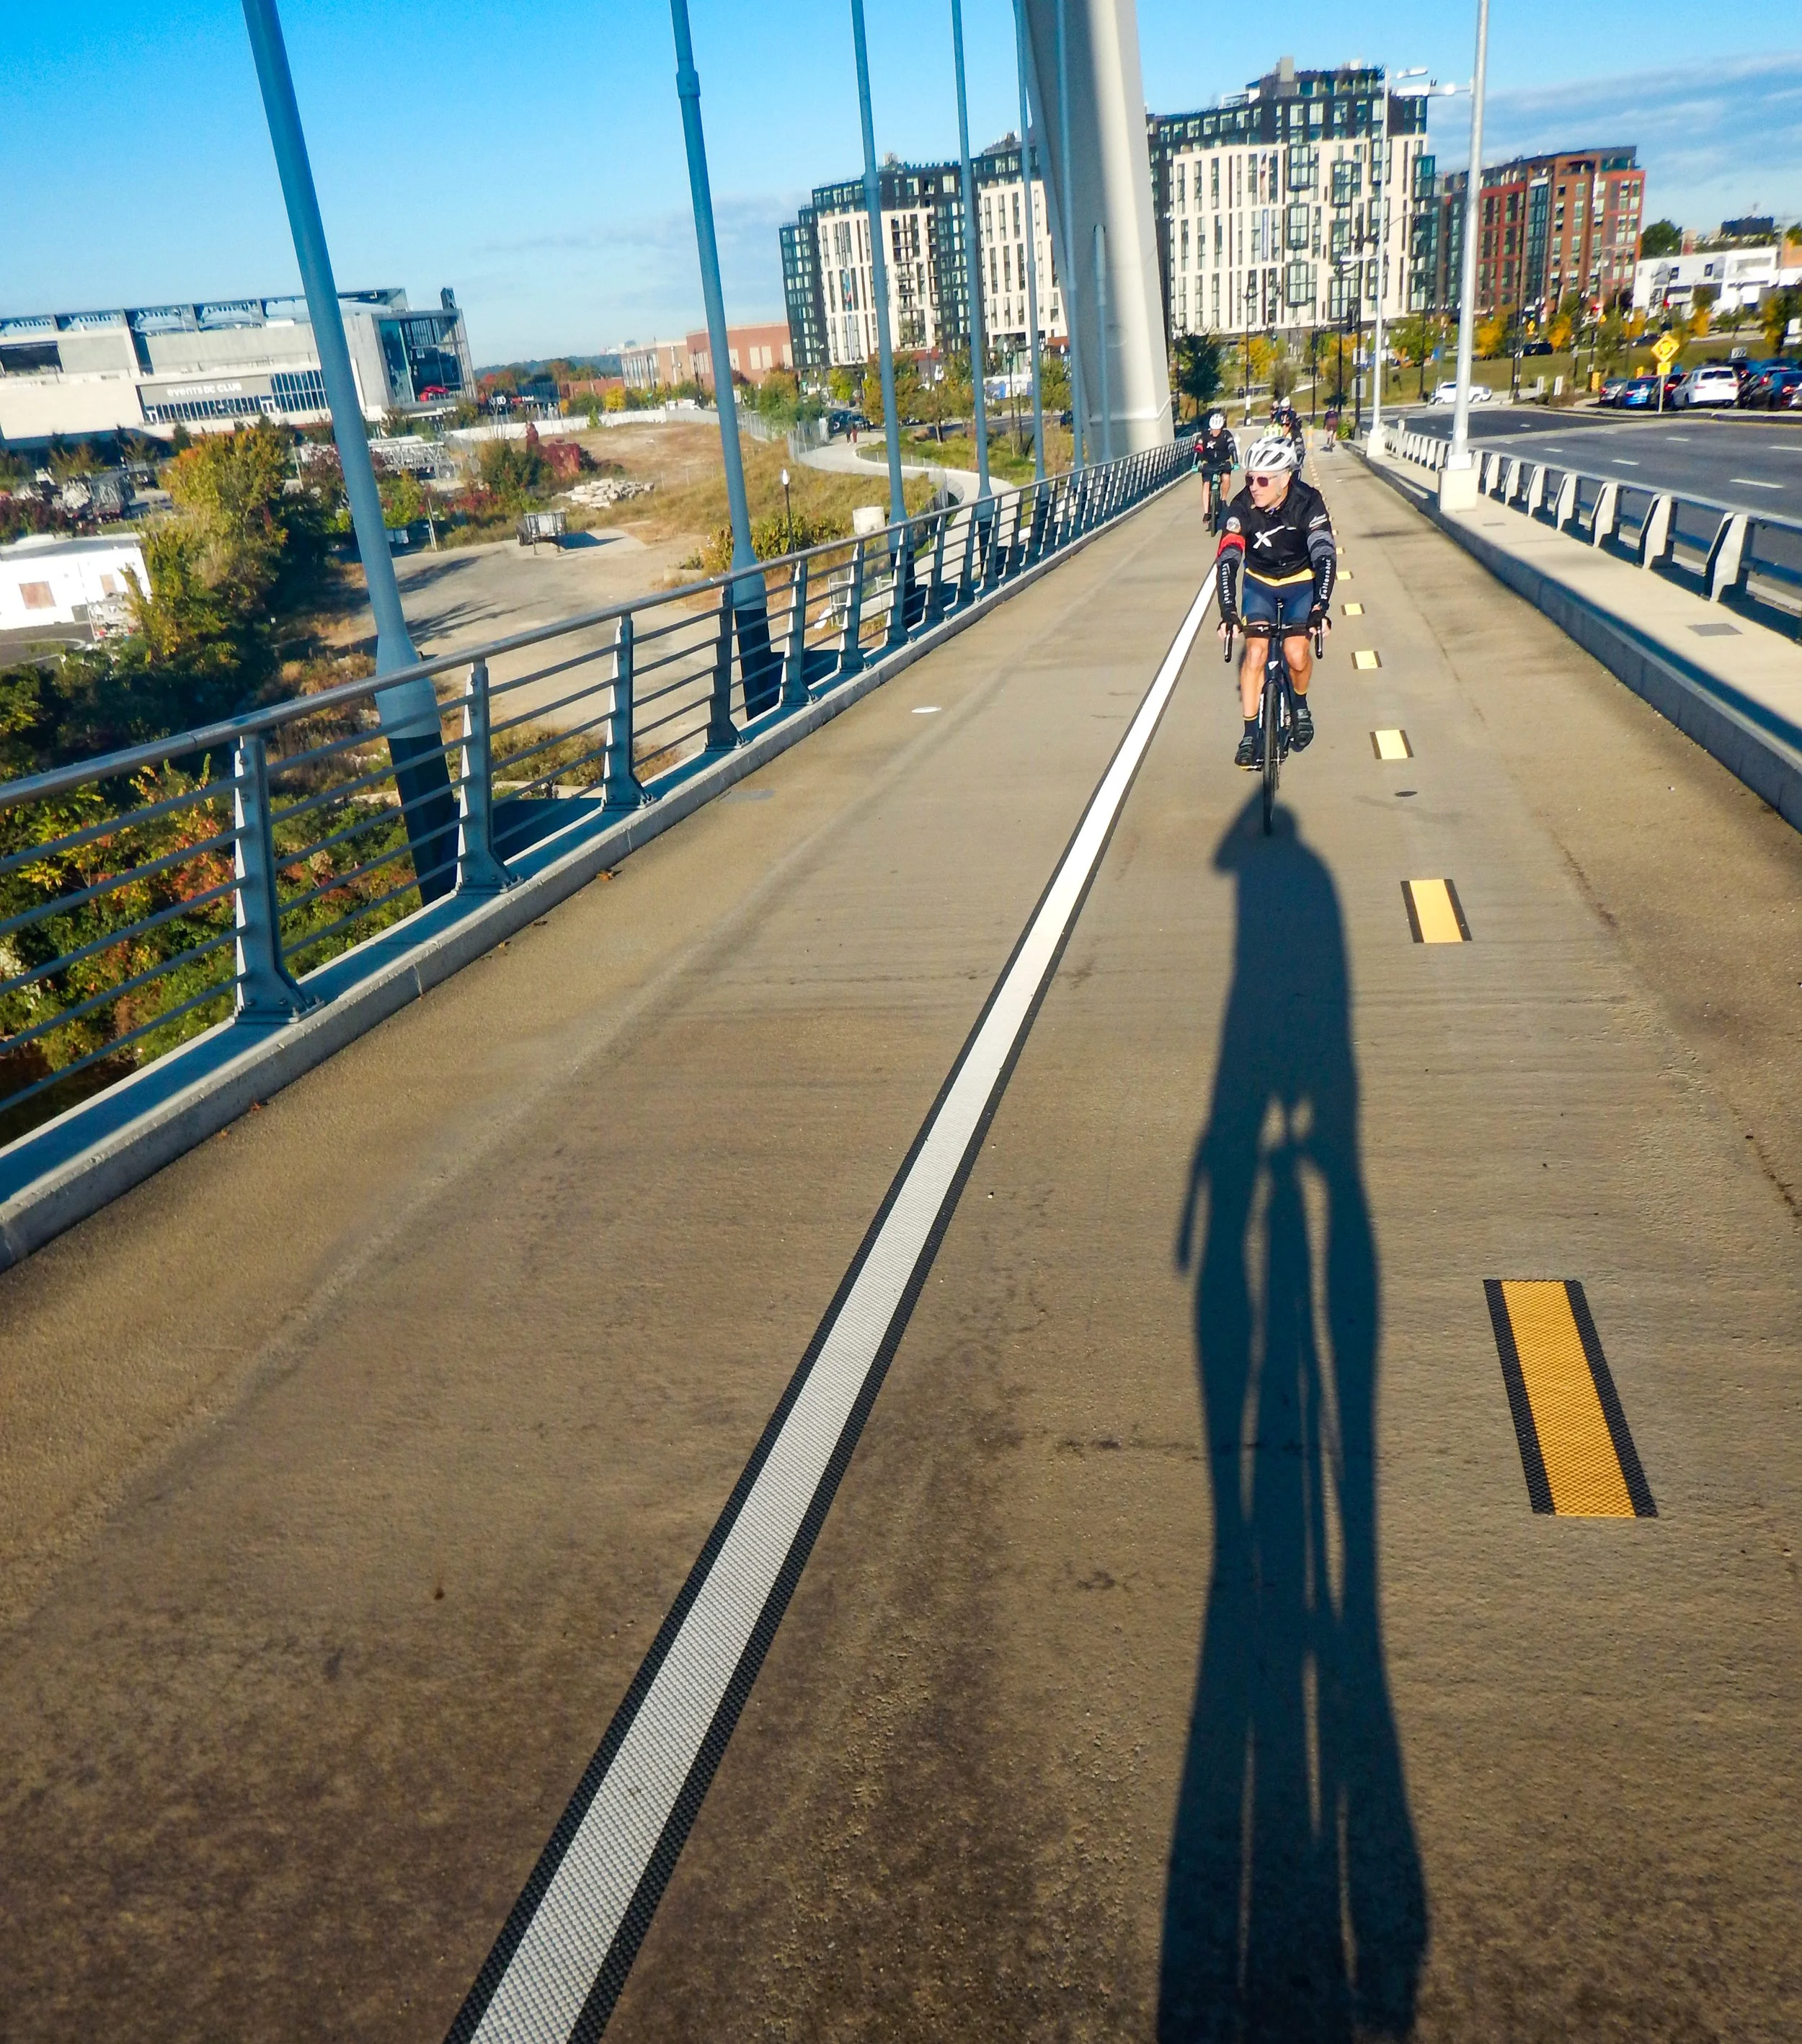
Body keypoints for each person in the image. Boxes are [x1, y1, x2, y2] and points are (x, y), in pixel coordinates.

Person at [1215, 436, 1336, 768]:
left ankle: (1299, 705)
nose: (1254, 486)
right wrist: (1228, 613)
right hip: (1261, 582)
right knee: (1255, 652)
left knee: (1296, 654)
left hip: (1299, 582)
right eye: (1250, 478)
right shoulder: (1242, 507)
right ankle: (1251, 733)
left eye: (1263, 480)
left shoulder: (1308, 501)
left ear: (1286, 478)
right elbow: (1227, 559)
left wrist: (1320, 607)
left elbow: (1324, 556)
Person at [1194, 409, 1238, 528]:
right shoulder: (1204, 436)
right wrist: (1196, 464)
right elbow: (1198, 450)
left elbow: (1232, 448)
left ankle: (1223, 500)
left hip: (1223, 462)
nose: (1215, 432)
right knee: (1206, 484)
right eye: (1213, 429)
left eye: (1217, 429)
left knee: (1226, 478)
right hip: (1209, 462)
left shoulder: (1226, 435)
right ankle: (1206, 513)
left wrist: (1236, 462)